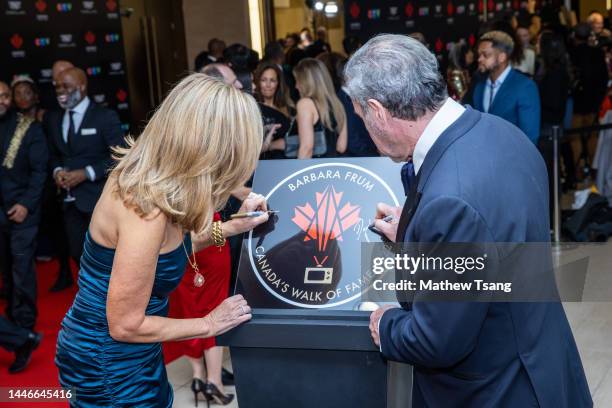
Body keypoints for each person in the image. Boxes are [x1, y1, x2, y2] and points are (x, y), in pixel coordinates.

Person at [344, 34, 592, 408]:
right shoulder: (502, 133)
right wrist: (417, 234)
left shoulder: (450, 200)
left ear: (378, 111)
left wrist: (386, 322)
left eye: (363, 118)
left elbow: (435, 340)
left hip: (497, 389)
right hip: (542, 363)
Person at [55, 75, 268, 407]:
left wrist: (230, 227)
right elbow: (126, 325)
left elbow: (171, 251)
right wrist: (210, 323)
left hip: (132, 354)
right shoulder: (146, 209)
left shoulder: (161, 185)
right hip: (110, 363)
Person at [44, 67, 125, 284]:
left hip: (100, 199)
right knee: (76, 252)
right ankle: (95, 295)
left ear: (82, 86)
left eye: (67, 86)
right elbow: (53, 155)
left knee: (106, 256)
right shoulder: (53, 119)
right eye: (58, 87)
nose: (61, 91)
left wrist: (87, 173)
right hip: (70, 202)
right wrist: (57, 170)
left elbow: (120, 156)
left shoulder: (104, 117)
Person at [0, 80, 48, 334]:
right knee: (6, 271)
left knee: (22, 272)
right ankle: (12, 319)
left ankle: (25, 327)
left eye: (5, 96)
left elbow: (40, 172)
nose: (2, 100)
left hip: (22, 213)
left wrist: (26, 205)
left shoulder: (30, 129)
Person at [471, 30, 541, 144]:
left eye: (486, 55)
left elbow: (530, 138)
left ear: (502, 57)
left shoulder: (525, 86)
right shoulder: (479, 87)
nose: (479, 59)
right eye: (479, 55)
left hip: (512, 158)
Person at [535, 31, 571, 224]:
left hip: (550, 131)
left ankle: (551, 221)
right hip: (549, 129)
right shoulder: (550, 70)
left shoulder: (556, 73)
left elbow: (555, 104)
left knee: (549, 178)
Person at [292, 58, 347, 158]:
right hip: (332, 168)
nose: (296, 86)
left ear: (307, 82)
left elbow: (306, 148)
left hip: (313, 169)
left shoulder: (305, 104)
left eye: (298, 81)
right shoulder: (337, 104)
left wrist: (300, 172)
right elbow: (341, 147)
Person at [253, 61, 294, 160]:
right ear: (258, 82)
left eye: (272, 80)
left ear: (278, 83)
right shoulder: (253, 108)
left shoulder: (288, 109)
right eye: (263, 80)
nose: (268, 85)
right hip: (261, 163)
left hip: (286, 162)